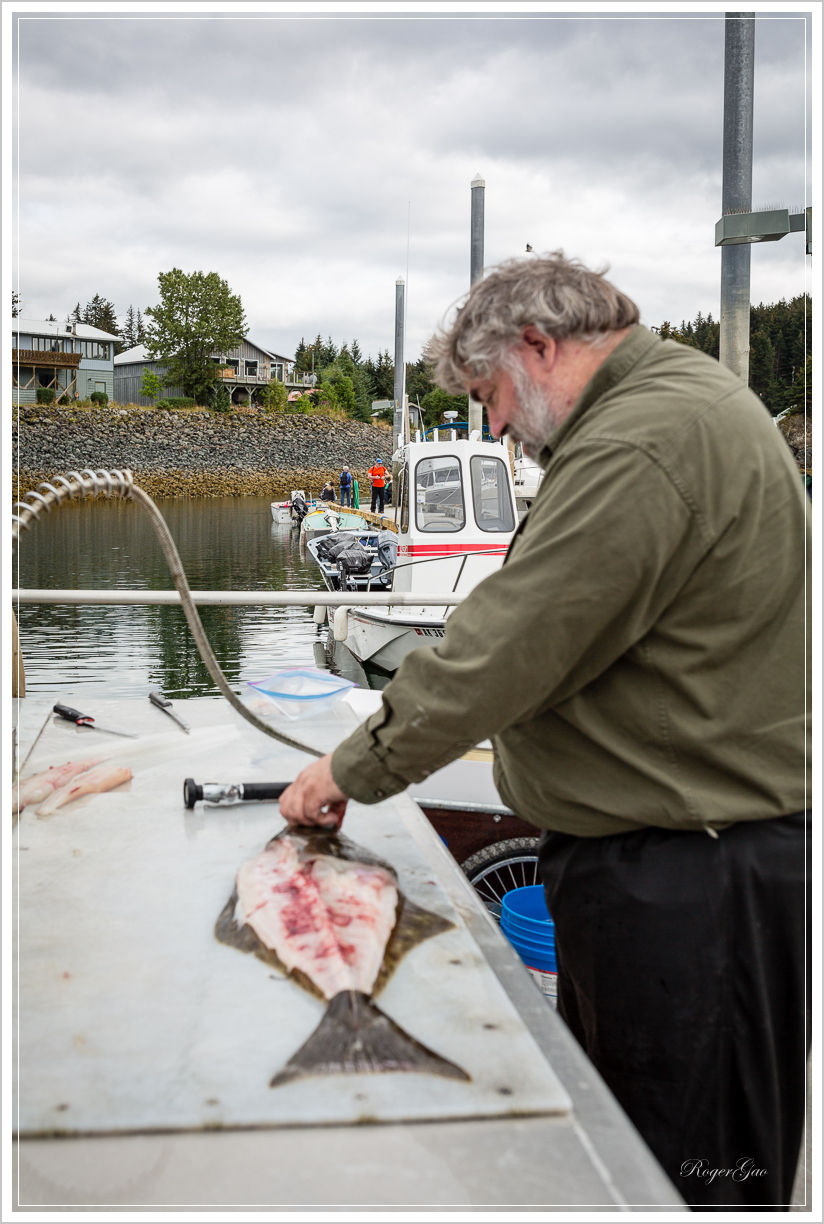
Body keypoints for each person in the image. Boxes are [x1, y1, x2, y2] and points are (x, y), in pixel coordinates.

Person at [278, 252, 810, 1211]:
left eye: (488, 394)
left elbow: (509, 640)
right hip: (674, 860)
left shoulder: (642, 443)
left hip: (691, 884)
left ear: (539, 345)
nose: (493, 427)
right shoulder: (665, 405)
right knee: (644, 1157)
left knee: (692, 1175)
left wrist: (347, 769)